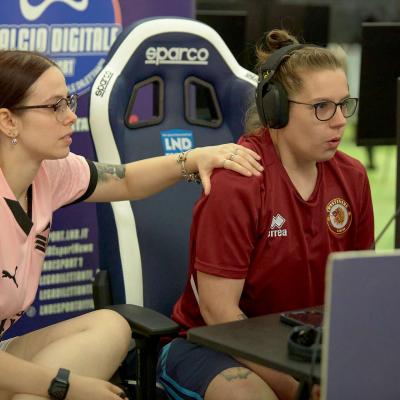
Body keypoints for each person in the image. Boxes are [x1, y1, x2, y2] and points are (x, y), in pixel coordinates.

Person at [0, 49, 264, 400]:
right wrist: (69, 387)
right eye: (54, 107)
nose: (71, 117)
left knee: (111, 326)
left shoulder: (50, 172)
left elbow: (125, 180)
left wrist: (193, 158)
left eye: (69, 102)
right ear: (8, 121)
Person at [156, 29, 374, 400]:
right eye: (322, 107)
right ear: (277, 109)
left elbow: (361, 294)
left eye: (344, 104)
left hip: (303, 346)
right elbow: (219, 313)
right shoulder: (238, 184)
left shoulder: (351, 177)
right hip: (210, 344)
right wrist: (301, 388)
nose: (340, 121)